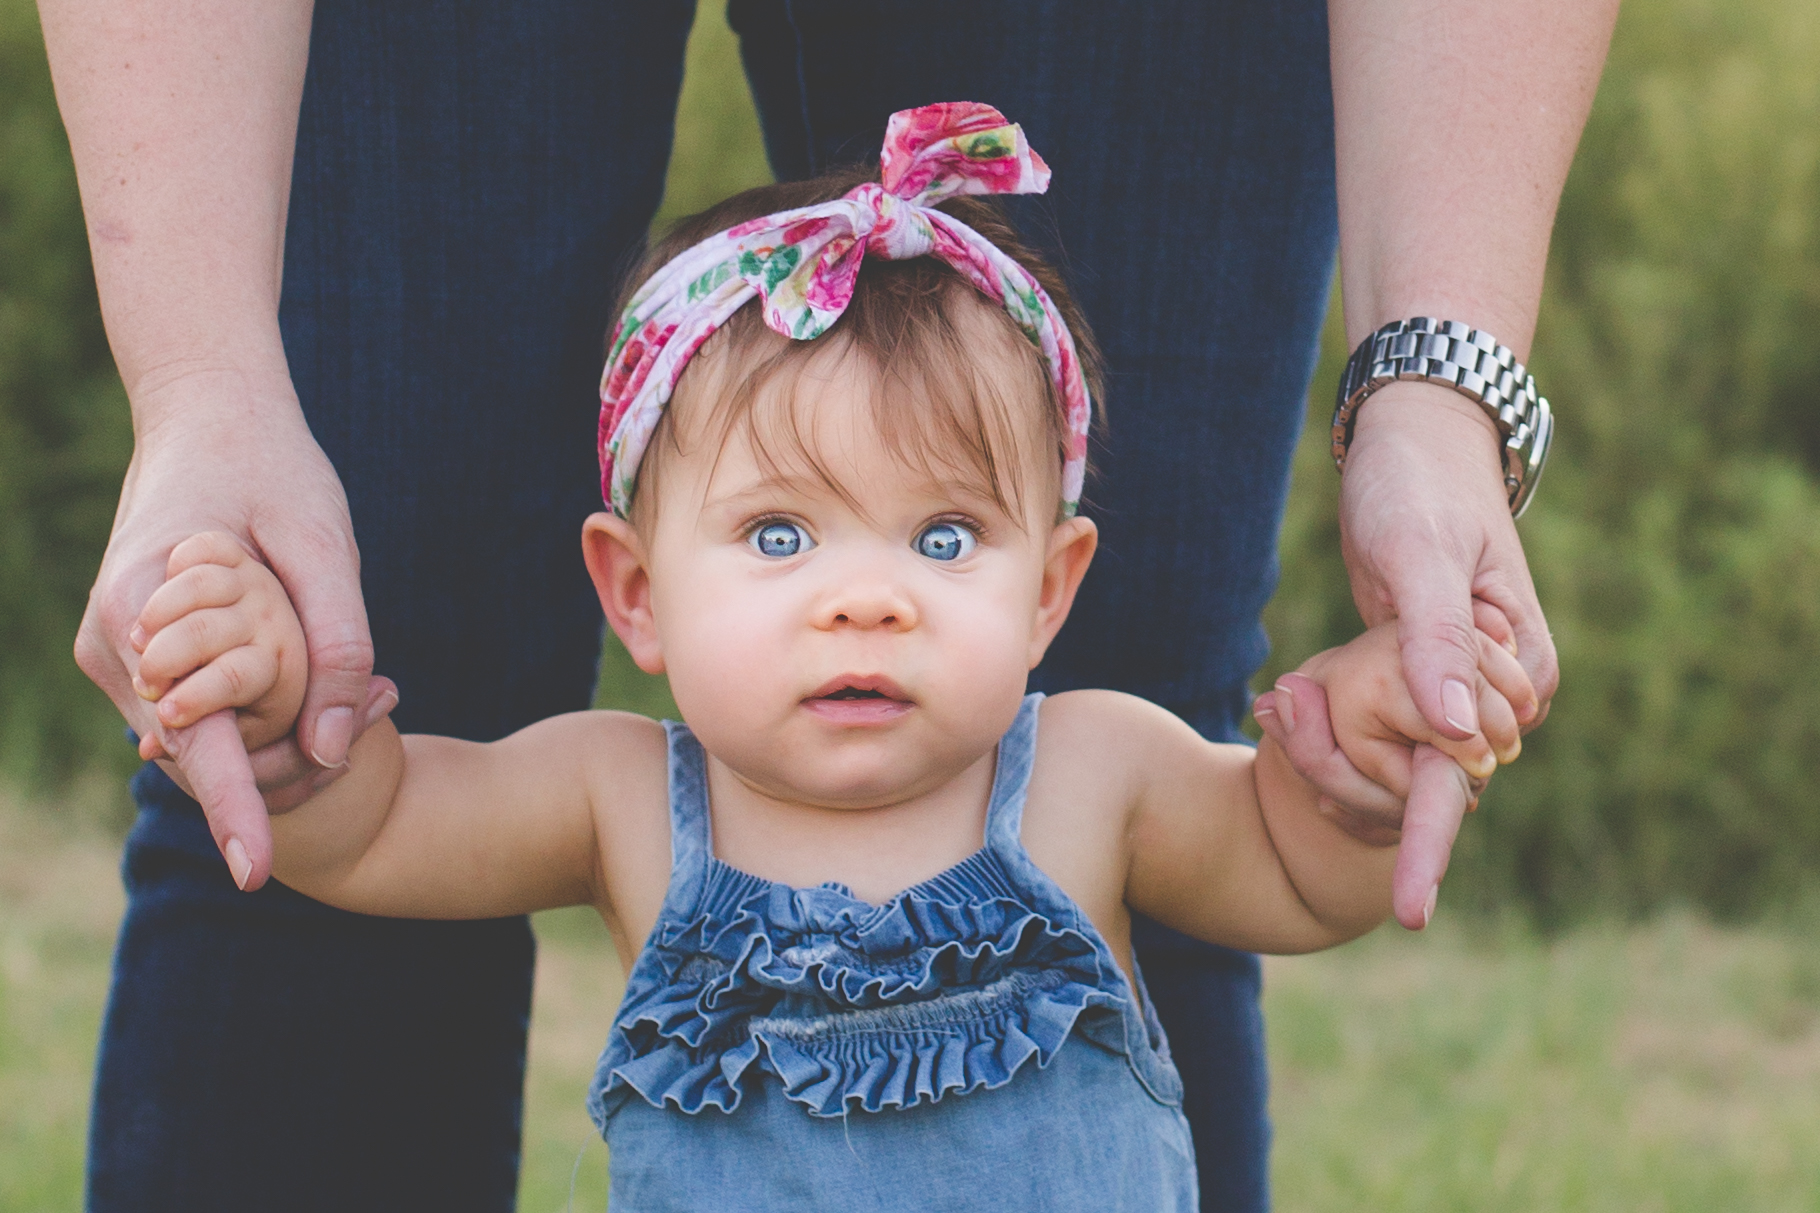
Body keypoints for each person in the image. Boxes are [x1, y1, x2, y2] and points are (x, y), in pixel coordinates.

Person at [38, 2, 1615, 1208]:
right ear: (637, 592)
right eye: (781, 537)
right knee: (374, 637)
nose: (866, 600)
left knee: (1173, 650)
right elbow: (367, 824)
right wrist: (266, 701)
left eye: (944, 541)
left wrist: (1344, 761)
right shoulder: (619, 800)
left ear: (1053, 581)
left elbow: (1278, 859)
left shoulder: (1096, 773)